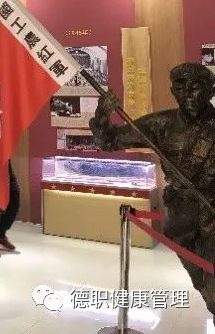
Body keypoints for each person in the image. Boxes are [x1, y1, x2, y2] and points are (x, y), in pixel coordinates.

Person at [90, 63, 215, 321]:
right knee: (201, 282)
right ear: (172, 90)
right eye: (180, 87)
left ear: (211, 90)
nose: (187, 94)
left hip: (213, 213)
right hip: (181, 217)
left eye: (195, 87)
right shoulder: (161, 124)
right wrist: (102, 114)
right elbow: (109, 141)